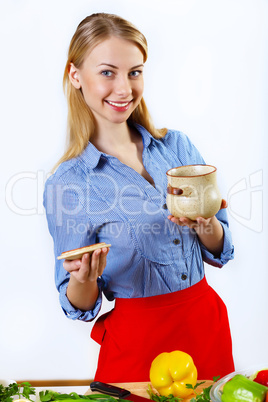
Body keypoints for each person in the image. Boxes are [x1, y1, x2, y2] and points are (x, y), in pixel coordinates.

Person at [43, 13, 235, 382]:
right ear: (75, 75)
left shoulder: (177, 146)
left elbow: (221, 249)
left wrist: (207, 223)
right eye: (107, 72)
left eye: (134, 72)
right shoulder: (68, 184)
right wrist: (84, 279)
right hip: (138, 346)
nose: (124, 89)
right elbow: (78, 303)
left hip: (205, 326)